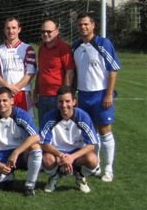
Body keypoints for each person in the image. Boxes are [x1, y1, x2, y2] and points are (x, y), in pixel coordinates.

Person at [72, 12, 121, 182]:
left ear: (93, 25)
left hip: (100, 94)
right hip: (83, 95)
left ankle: (109, 169)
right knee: (89, 133)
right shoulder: (76, 46)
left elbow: (113, 69)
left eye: (86, 24)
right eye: (80, 25)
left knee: (104, 131)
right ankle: (96, 164)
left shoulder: (103, 44)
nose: (83, 27)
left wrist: (108, 93)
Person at [0, 87, 43, 196]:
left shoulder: (21, 115)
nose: (1, 104)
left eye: (5, 100)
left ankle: (30, 184)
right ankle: (8, 177)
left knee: (36, 148)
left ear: (12, 101)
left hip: (22, 154)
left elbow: (36, 136)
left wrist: (16, 152)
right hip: (2, 154)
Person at [40, 86, 99, 193]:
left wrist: (71, 158)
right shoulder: (49, 117)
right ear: (57, 102)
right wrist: (61, 156)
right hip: (57, 154)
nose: (64, 105)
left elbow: (91, 144)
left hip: (76, 154)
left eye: (67, 101)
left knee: (93, 160)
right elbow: (43, 144)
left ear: (74, 102)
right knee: (47, 160)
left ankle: (79, 175)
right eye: (60, 101)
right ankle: (55, 175)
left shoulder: (82, 117)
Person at [33, 18, 75, 123]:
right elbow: (40, 71)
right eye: (43, 31)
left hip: (57, 96)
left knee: (58, 128)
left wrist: (65, 95)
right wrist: (35, 92)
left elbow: (69, 71)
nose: (45, 34)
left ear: (56, 32)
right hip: (43, 96)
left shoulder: (64, 48)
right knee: (44, 128)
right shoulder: (41, 48)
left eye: (49, 32)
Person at [0, 17, 36, 112]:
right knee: (2, 123)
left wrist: (16, 88)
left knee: (24, 123)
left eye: (14, 28)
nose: (11, 31)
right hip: (3, 94)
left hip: (22, 93)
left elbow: (30, 73)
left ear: (19, 29)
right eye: (8, 28)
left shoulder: (28, 49)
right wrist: (7, 87)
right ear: (4, 30)